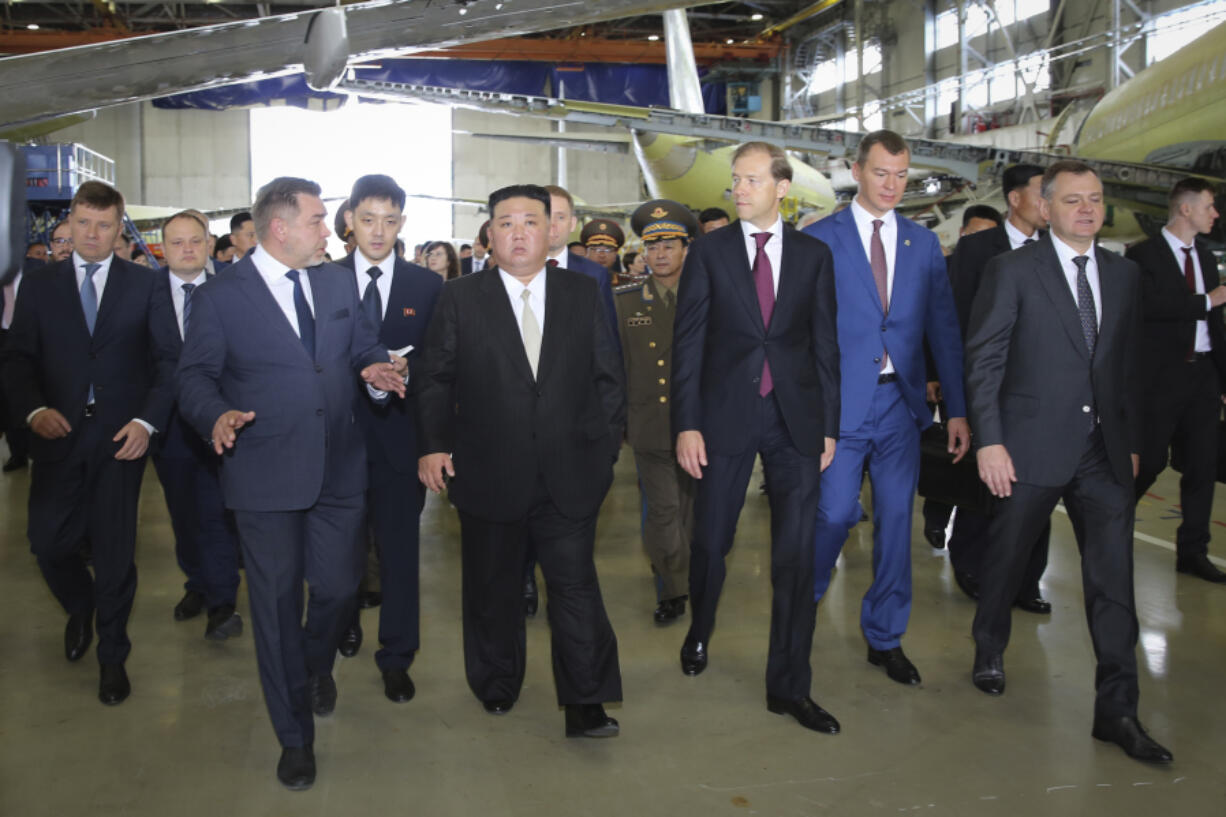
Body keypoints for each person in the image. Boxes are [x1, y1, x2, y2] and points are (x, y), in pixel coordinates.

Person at [176, 176, 408, 790]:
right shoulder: (222, 298)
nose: (328, 230)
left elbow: (360, 346)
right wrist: (213, 415)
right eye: (317, 220)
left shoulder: (335, 281)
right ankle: (294, 736)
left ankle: (311, 664)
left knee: (336, 590)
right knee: (276, 609)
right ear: (280, 228)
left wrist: (376, 369)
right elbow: (194, 377)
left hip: (339, 469)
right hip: (264, 472)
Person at [965, 160, 1171, 764]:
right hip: (1027, 446)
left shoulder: (1123, 275)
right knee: (1005, 560)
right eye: (1073, 200)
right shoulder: (1012, 271)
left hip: (1102, 454)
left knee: (1113, 585)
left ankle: (1118, 712)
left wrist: (1128, 440)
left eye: (1096, 199)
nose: (1087, 209)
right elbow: (985, 361)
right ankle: (989, 644)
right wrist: (989, 440)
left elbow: (1125, 367)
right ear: (1045, 207)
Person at [416, 183, 626, 739]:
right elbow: (435, 379)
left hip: (571, 473)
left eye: (530, 221)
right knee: (493, 588)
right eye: (505, 222)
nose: (517, 232)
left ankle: (586, 701)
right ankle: (496, 682)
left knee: (575, 587)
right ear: (489, 233)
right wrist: (435, 444)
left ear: (551, 230)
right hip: (488, 472)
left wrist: (603, 453)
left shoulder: (581, 293)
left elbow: (609, 379)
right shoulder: (461, 298)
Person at [673, 142, 841, 734]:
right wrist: (687, 424)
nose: (738, 190)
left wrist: (829, 427)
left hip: (796, 421)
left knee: (796, 556)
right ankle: (701, 627)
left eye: (749, 180)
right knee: (711, 541)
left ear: (781, 187)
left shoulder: (814, 256)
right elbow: (688, 343)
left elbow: (825, 345)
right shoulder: (710, 253)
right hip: (724, 417)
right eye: (735, 182)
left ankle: (790, 686)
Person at [1, 180, 180, 706]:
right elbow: (16, 361)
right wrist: (33, 411)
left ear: (118, 227)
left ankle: (112, 656)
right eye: (83, 223)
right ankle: (81, 606)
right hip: (57, 438)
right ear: (70, 224)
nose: (93, 234)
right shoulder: (40, 285)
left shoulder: (145, 285)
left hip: (120, 442)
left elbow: (168, 361)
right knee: (47, 542)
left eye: (104, 225)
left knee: (115, 553)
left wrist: (147, 423)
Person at [804, 131, 968, 689]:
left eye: (902, 175)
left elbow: (943, 329)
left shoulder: (922, 246)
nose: (892, 185)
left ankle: (885, 636)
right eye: (881, 173)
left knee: (896, 523)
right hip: (840, 408)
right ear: (857, 170)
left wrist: (959, 410)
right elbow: (803, 333)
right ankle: (801, 605)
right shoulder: (820, 239)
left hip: (901, 404)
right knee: (830, 515)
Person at [337, 174, 443, 703]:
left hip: (402, 441)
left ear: (403, 223)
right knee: (341, 551)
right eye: (368, 219)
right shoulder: (321, 279)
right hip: (339, 442)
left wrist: (410, 365)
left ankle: (398, 655)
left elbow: (443, 359)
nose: (378, 231)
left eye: (390, 220)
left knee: (400, 554)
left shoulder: (425, 287)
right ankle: (345, 621)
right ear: (350, 220)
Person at [938, 164, 1052, 611]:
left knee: (1040, 484)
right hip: (989, 387)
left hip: (1042, 392)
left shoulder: (1059, 250)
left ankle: (1027, 580)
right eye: (1043, 193)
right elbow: (956, 323)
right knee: (984, 484)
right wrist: (955, 395)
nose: (1049, 203)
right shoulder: (977, 250)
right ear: (1015, 199)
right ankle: (969, 563)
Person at [1128, 177, 1226, 583]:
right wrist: (1207, 300)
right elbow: (1149, 308)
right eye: (1210, 206)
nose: (1215, 214)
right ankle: (1108, 529)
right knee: (1148, 462)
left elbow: (1215, 324)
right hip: (1160, 378)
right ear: (1185, 209)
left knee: (1203, 466)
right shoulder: (1141, 256)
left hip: (1202, 376)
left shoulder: (1204, 257)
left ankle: (1193, 551)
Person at [151, 212, 244, 638]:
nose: (187, 249)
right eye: (176, 242)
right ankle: (198, 583)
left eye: (195, 241)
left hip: (224, 423)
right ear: (162, 248)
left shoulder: (237, 286)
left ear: (209, 243)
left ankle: (223, 603)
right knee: (183, 513)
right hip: (169, 427)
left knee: (217, 513)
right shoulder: (144, 292)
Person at [616, 199, 699, 624]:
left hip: (699, 427)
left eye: (670, 245)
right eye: (653, 246)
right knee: (664, 509)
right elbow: (613, 367)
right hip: (648, 423)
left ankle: (682, 573)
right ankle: (673, 589)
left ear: (687, 248)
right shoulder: (625, 302)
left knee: (691, 511)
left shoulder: (707, 298)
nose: (661, 254)